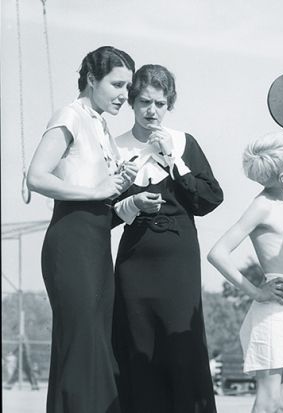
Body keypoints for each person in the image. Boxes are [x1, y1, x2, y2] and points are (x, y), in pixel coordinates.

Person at [26, 46, 137, 413]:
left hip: (97, 243)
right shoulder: (69, 115)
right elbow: (36, 176)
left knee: (95, 345)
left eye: (127, 87)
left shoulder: (102, 126)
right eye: (117, 85)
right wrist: (95, 191)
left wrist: (123, 189)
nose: (124, 95)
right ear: (91, 79)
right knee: (82, 344)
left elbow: (100, 193)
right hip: (71, 241)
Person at [111, 64, 223, 413]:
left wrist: (174, 160)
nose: (152, 111)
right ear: (132, 101)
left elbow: (208, 200)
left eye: (160, 103)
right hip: (134, 260)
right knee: (138, 344)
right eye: (145, 102)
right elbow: (102, 214)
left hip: (178, 260)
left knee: (180, 347)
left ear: (169, 104)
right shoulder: (115, 147)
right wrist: (131, 202)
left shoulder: (184, 142)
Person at [207, 131, 283, 413]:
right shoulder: (261, 206)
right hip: (273, 310)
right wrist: (256, 292)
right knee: (268, 400)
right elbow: (217, 253)